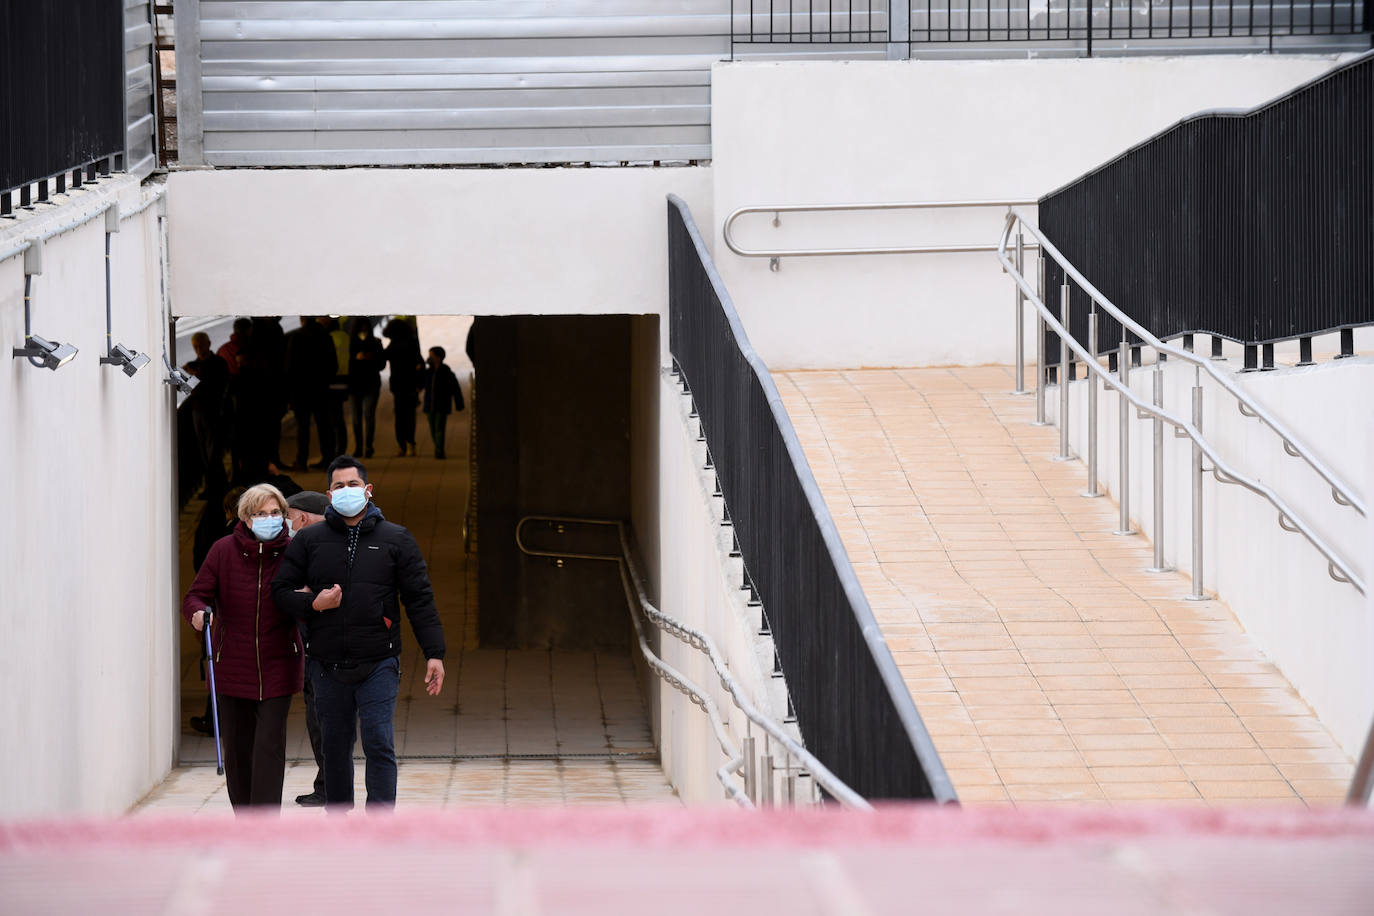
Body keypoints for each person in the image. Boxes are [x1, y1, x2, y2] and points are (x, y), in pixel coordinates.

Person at [271, 456, 446, 811]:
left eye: (353, 485)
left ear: (368, 490)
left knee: (378, 740)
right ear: (329, 494)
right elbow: (280, 591)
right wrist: (314, 605)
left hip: (379, 660)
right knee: (334, 745)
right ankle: (339, 823)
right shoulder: (310, 540)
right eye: (339, 486)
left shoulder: (396, 539)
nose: (346, 491)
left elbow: (420, 600)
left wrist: (435, 653)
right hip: (326, 662)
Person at [181, 484, 303, 810]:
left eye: (275, 512)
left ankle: (263, 825)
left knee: (269, 745)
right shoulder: (222, 551)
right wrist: (197, 613)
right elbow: (196, 595)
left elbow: (310, 591)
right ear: (247, 519)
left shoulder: (295, 551)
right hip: (231, 663)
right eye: (261, 514)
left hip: (279, 662)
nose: (269, 519)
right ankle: (244, 819)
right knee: (237, 748)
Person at [284, 490, 330, 807]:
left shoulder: (320, 546)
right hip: (313, 642)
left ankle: (330, 787)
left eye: (287, 517)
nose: (284, 524)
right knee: (319, 717)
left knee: (323, 718)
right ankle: (326, 784)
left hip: (324, 644)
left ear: (301, 517)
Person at [284, 317, 338, 470]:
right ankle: (327, 459)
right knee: (324, 426)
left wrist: (290, 391)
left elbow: (289, 366)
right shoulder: (325, 336)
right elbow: (333, 364)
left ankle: (302, 461)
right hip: (320, 389)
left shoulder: (297, 336)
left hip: (301, 390)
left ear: (302, 320)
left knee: (303, 427)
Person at [183, 332, 231, 494]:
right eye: (195, 346)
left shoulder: (218, 363)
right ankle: (217, 485)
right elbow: (186, 389)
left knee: (212, 452)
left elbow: (213, 387)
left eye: (201, 345)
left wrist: (193, 378)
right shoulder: (193, 364)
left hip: (214, 411)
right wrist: (186, 378)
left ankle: (215, 487)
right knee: (204, 452)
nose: (198, 349)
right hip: (197, 411)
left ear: (209, 344)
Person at [383, 318, 424, 457]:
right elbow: (420, 362)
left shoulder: (393, 345)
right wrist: (420, 384)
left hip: (397, 384)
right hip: (411, 384)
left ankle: (401, 445)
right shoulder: (412, 342)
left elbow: (382, 359)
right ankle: (410, 443)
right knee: (410, 416)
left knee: (399, 416)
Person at [347, 319, 384, 458]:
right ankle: (358, 446)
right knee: (356, 418)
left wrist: (371, 357)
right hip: (354, 384)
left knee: (369, 415)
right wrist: (356, 358)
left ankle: (368, 446)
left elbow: (382, 364)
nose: (363, 331)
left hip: (371, 383)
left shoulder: (376, 343)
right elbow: (345, 362)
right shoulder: (350, 344)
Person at [422, 346, 465, 460]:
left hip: (442, 405)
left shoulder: (446, 372)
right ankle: (438, 447)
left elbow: (455, 388)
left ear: (439, 357)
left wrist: (459, 402)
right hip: (429, 405)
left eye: (432, 355)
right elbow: (420, 385)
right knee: (432, 429)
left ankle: (439, 451)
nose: (429, 358)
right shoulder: (428, 372)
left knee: (439, 428)